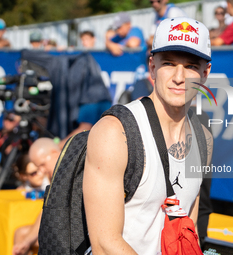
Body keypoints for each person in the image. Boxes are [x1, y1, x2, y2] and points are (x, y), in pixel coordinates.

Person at [83, 16, 213, 254]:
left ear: (205, 73)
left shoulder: (204, 138)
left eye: (191, 66)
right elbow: (104, 244)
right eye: (169, 64)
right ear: (152, 67)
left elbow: (188, 223)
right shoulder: (115, 131)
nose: (179, 77)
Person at [12, 138, 61, 255]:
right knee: (21, 234)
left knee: (24, 237)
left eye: (42, 165)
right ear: (24, 176)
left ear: (54, 153)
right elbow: (47, 210)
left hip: (73, 232)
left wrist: (26, 241)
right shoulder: (54, 174)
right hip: (60, 226)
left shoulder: (65, 172)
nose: (42, 171)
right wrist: (26, 241)